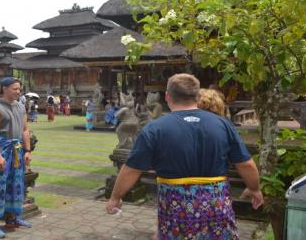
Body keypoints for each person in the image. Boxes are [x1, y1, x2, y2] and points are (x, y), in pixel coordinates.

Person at [106, 73, 263, 239]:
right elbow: (246, 164)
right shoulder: (222, 124)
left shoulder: (155, 128)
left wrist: (115, 197)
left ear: (167, 96)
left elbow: (132, 169)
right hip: (215, 204)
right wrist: (254, 188)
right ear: (197, 96)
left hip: (175, 207)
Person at [0, 77, 32, 238]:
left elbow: (25, 130)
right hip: (1, 148)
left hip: (17, 149)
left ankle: (12, 217)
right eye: (15, 89)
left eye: (19, 89)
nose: (18, 92)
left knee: (16, 182)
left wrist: (27, 150)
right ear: (4, 88)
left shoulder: (20, 107)